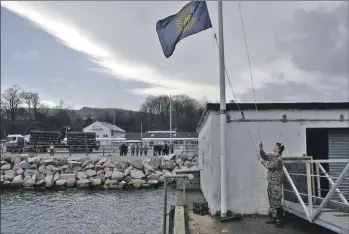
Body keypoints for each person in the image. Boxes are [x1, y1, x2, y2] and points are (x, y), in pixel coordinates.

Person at [259, 142, 285, 228]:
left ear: (278, 148)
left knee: (277, 200)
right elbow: (265, 156)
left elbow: (270, 166)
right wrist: (261, 149)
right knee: (271, 200)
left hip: (276, 183)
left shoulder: (279, 159)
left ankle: (280, 220)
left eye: (275, 146)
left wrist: (262, 162)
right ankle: (274, 217)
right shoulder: (273, 156)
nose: (273, 146)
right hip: (271, 182)